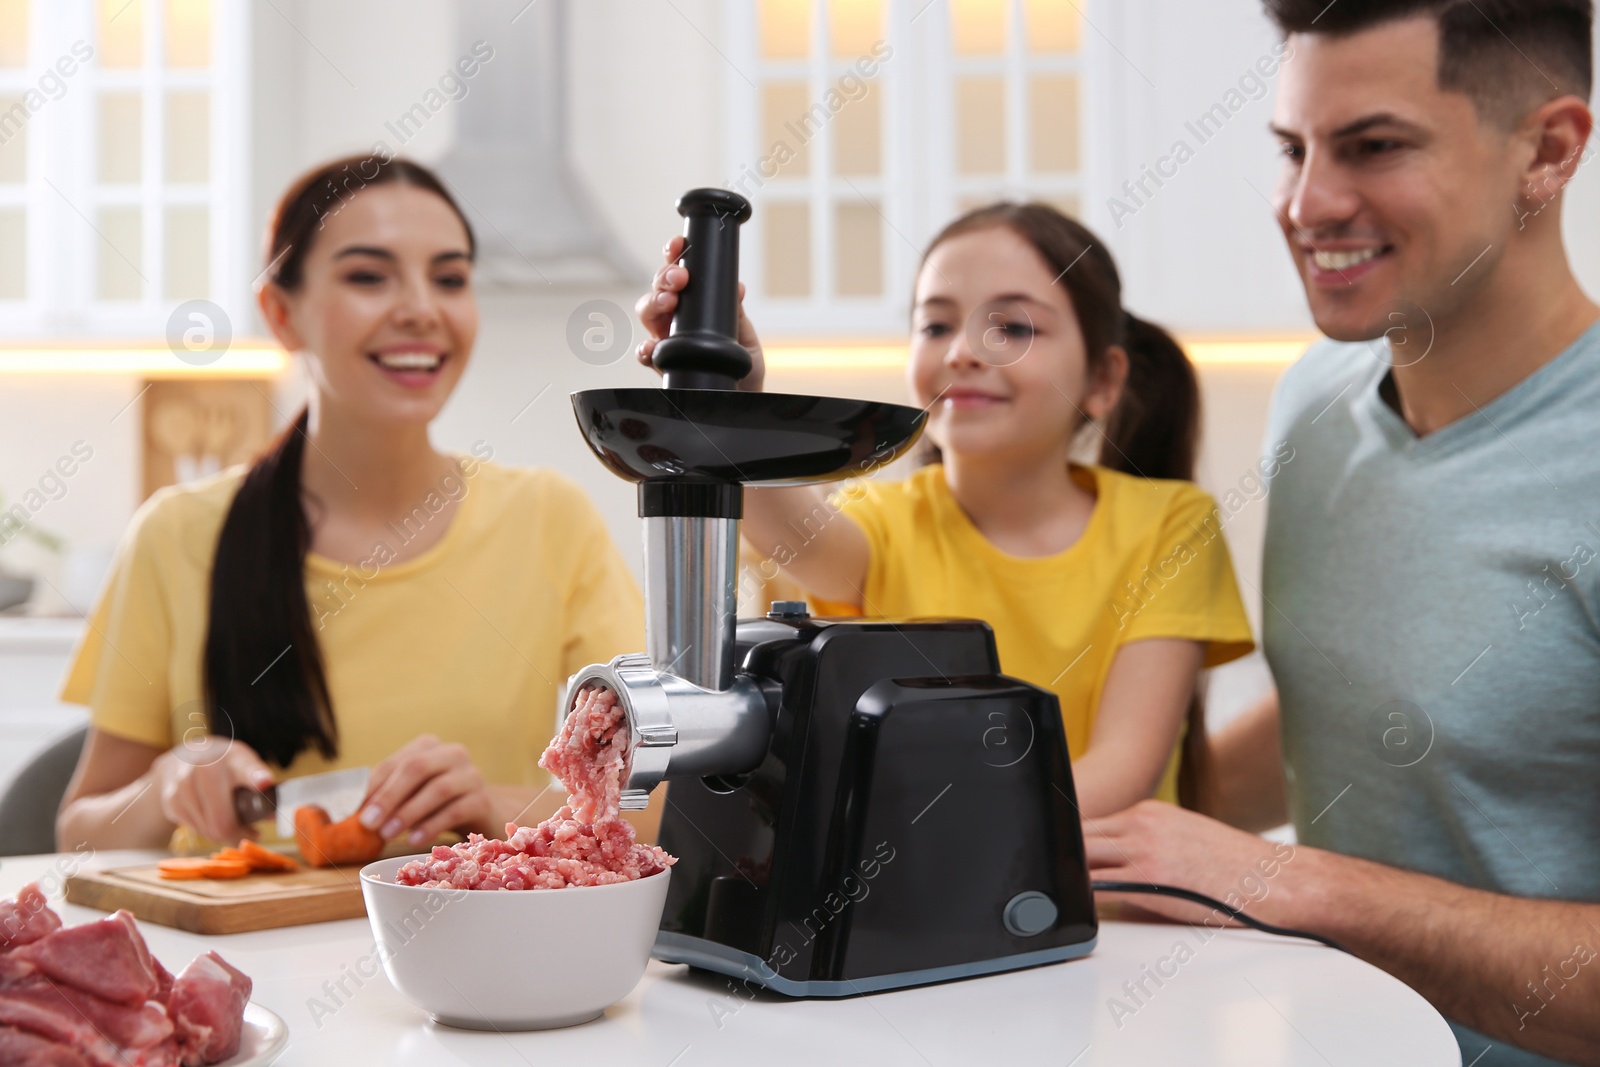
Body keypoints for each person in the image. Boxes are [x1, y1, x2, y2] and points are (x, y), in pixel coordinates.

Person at [1082, 1, 1600, 1063]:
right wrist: (1057, 818)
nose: (1304, 202)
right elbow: (1359, 709)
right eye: (1291, 149)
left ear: (1546, 152)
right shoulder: (1314, 400)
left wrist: (1291, 883)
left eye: (1373, 146)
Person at [56, 155, 648, 853]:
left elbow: (655, 806)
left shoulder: (551, 520)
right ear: (281, 313)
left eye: (450, 278)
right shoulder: (176, 533)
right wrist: (166, 783)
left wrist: (498, 803)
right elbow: (78, 835)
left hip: (463, 949)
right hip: (231, 952)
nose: (422, 309)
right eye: (368, 276)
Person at [637, 203, 1255, 818]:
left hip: (1110, 912)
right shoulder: (882, 520)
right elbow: (782, 525)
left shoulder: (1170, 525)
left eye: (1012, 328)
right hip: (915, 903)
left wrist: (939, 827)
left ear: (1102, 378)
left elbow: (1121, 773)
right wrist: (735, 396)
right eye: (936, 326)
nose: (962, 351)